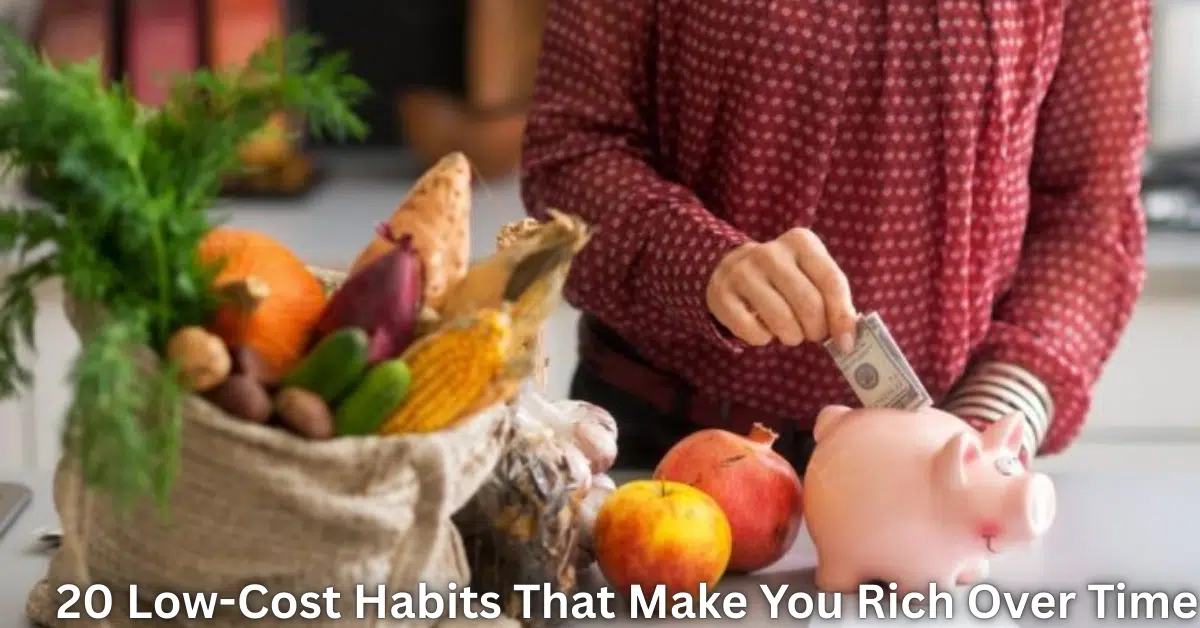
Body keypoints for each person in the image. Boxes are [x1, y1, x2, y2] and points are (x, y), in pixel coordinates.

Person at [519, 0, 1150, 472]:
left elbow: (1089, 213)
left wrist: (994, 420)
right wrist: (703, 263)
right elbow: (569, 154)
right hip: (662, 448)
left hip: (939, 471)